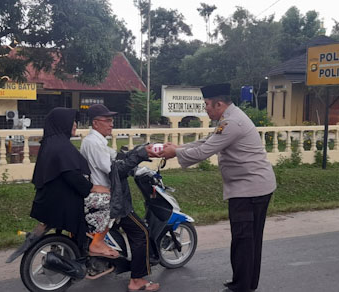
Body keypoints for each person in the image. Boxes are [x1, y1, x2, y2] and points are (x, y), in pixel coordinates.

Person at [159, 83, 277, 292]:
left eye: (206, 104)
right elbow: (207, 141)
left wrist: (175, 153)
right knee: (248, 239)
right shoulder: (229, 118)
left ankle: (241, 287)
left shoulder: (232, 123)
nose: (205, 108)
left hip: (250, 190)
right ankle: (246, 284)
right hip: (252, 187)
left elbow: (205, 151)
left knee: (244, 239)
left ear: (219, 104)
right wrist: (178, 148)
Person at [79, 104, 161, 292]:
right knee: (141, 233)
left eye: (111, 120)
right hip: (111, 199)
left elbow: (116, 157)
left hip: (105, 195)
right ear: (95, 123)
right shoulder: (94, 143)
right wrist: (139, 155)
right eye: (107, 120)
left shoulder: (96, 142)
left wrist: (139, 154)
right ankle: (137, 280)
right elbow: (116, 170)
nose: (111, 124)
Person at [27, 108, 109, 250]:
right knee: (113, 202)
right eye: (72, 121)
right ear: (61, 123)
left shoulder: (52, 142)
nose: (75, 124)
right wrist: (92, 188)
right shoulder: (60, 146)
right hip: (64, 201)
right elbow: (71, 174)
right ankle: (97, 243)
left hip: (51, 198)